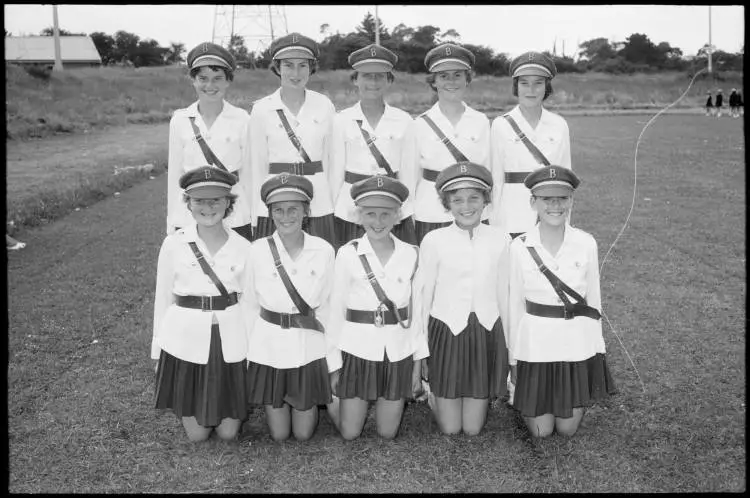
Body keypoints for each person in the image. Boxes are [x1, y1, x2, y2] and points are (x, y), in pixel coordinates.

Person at [507, 165, 616, 438]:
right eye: (546, 199)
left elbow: (594, 302)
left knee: (566, 430)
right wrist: (514, 357)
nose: (555, 205)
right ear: (533, 202)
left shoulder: (586, 242)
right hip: (536, 344)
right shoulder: (520, 246)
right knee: (542, 432)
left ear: (571, 201)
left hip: (575, 343)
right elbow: (515, 305)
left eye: (562, 198)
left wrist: (596, 348)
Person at [152, 166, 252, 442]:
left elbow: (249, 302)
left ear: (228, 203)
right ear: (188, 203)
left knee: (229, 433)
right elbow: (163, 298)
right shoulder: (174, 244)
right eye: (199, 201)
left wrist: (251, 349)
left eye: (216, 200)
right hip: (185, 337)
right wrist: (157, 350)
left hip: (229, 338)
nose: (208, 207)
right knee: (197, 436)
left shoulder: (244, 246)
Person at [413, 162, 510, 436]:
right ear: (447, 204)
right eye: (457, 200)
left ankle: (473, 394)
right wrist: (422, 349)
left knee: (472, 429)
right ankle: (435, 395)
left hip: (485, 331)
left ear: (485, 201)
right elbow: (424, 297)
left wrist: (509, 345)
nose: (466, 206)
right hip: (447, 331)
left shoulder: (501, 239)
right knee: (451, 428)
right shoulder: (434, 240)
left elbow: (506, 294)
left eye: (474, 198)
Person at [327, 175, 425, 440]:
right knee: (349, 433)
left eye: (386, 214)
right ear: (359, 215)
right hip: (358, 348)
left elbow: (417, 316)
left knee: (387, 433)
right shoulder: (348, 253)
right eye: (370, 214)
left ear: (398, 216)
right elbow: (335, 311)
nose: (378, 222)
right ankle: (332, 401)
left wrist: (417, 364)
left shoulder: (412, 254)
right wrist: (333, 364)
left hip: (397, 349)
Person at [244, 173, 337, 442]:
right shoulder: (257, 250)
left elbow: (330, 306)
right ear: (270, 214)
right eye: (279, 210)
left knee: (303, 434)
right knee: (280, 435)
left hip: (308, 344)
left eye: (294, 209)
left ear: (306, 211)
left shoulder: (323, 250)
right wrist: (251, 351)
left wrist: (332, 359)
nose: (286, 216)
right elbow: (249, 303)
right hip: (269, 344)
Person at [249, 32, 336, 246]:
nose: (295, 73)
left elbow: (331, 160)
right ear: (277, 68)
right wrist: (257, 210)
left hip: (318, 198)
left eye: (302, 65)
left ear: (311, 68)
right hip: (275, 197)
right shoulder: (261, 109)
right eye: (288, 65)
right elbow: (257, 165)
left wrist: (331, 202)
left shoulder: (325, 105)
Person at [329, 44, 417, 249]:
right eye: (367, 75)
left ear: (389, 80)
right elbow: (335, 173)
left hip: (392, 207)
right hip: (352, 210)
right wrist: (336, 209)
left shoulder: (404, 120)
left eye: (380, 76)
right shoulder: (341, 120)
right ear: (355, 79)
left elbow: (409, 172)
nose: (373, 82)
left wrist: (408, 209)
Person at [403, 43, 491, 245]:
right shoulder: (419, 124)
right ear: (433, 82)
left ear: (467, 79)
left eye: (457, 75)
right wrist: (411, 216)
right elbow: (410, 176)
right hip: (431, 213)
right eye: (443, 76)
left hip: (473, 211)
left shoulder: (481, 121)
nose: (451, 81)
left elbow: (489, 172)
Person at [167, 42, 253, 241]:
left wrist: (252, 218)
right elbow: (175, 176)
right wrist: (172, 221)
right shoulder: (180, 120)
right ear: (193, 80)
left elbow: (248, 175)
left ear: (228, 81)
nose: (210, 86)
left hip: (234, 212)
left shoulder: (243, 119)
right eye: (202, 79)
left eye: (217, 79)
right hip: (190, 212)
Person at [489, 51, 571, 240]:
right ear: (516, 86)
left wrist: (566, 220)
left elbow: (566, 178)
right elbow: (496, 179)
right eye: (524, 83)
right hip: (511, 216)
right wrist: (495, 222)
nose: (531, 90)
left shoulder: (559, 124)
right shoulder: (500, 124)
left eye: (538, 83)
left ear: (546, 86)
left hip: (551, 212)